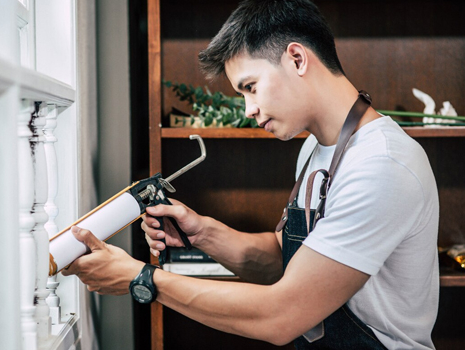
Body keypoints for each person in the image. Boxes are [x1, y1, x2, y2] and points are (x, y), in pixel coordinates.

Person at [62, 0, 439, 348]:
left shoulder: (381, 164)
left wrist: (141, 279)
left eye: (250, 87)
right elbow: (285, 259)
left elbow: (284, 313)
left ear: (296, 59)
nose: (248, 109)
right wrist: (203, 233)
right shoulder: (317, 148)